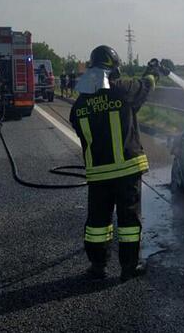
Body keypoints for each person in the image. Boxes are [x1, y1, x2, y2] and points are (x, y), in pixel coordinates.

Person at [69, 45, 160, 281]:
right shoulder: (122, 90)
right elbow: (143, 88)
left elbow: (83, 129)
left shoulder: (79, 104)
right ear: (113, 69)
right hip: (127, 170)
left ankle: (97, 267)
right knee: (129, 222)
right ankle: (129, 267)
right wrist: (152, 73)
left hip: (98, 174)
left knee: (98, 223)